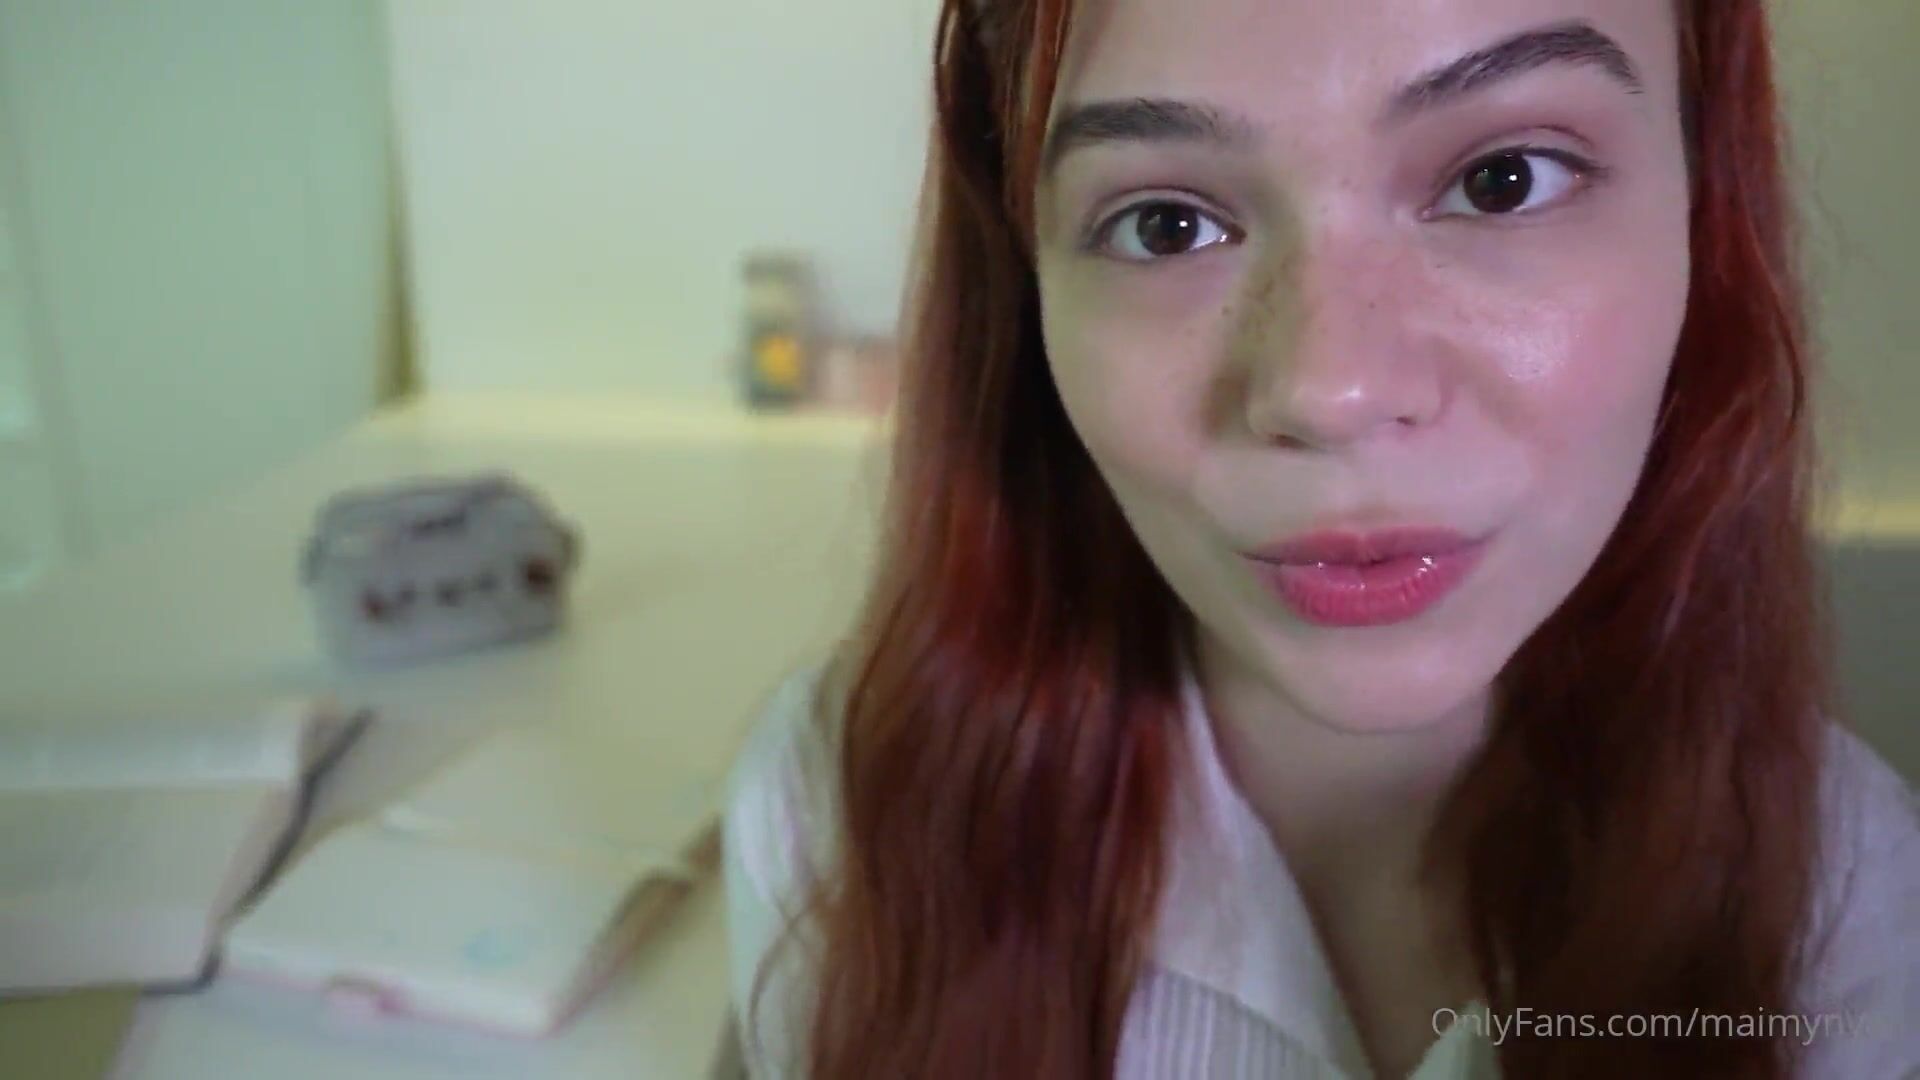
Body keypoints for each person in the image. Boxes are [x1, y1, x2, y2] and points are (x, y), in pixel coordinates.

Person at [720, 1, 1920, 1076]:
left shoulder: (1847, 896)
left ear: (1702, 214)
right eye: (1165, 227)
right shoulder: (838, 812)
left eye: (1503, 180)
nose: (1328, 389)